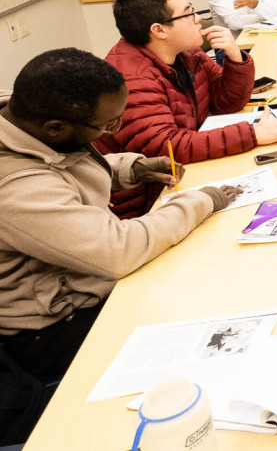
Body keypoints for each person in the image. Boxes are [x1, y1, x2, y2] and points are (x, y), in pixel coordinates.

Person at [0, 49, 239, 443]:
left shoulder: (28, 121)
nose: (114, 130)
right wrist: (201, 200)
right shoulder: (14, 188)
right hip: (55, 329)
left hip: (85, 284)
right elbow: (118, 251)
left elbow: (62, 168)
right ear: (56, 127)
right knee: (203, 326)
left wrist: (130, 167)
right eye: (108, 125)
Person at [99, 0, 277, 216]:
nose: (197, 19)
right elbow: (167, 149)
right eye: (188, 13)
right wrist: (251, 134)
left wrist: (235, 58)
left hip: (182, 176)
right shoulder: (131, 78)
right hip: (143, 206)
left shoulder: (187, 51)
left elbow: (226, 103)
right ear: (159, 30)